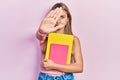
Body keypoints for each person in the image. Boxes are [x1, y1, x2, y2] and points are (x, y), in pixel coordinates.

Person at [36, 2, 83, 80]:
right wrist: (41, 30)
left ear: (68, 19)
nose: (58, 20)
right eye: (56, 17)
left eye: (62, 16)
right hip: (45, 77)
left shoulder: (74, 40)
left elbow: (79, 67)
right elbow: (39, 35)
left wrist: (54, 66)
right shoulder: (45, 36)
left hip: (65, 77)